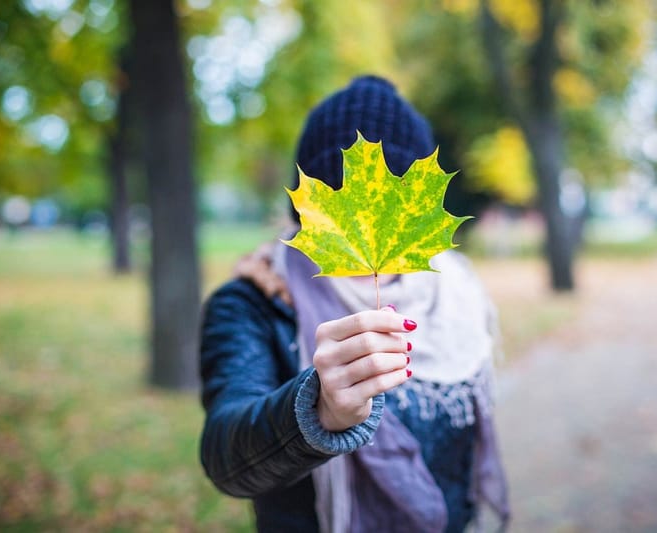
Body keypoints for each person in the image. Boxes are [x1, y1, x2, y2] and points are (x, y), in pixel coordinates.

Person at [199, 75, 510, 533]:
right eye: (344, 212)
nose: (368, 229)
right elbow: (228, 459)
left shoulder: (457, 292)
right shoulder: (254, 303)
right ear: (304, 214)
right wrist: (316, 411)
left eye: (390, 213)